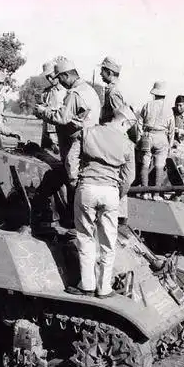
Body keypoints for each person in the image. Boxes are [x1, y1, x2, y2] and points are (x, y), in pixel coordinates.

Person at [66, 105, 137, 298]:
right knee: (108, 241)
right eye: (128, 127)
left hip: (87, 187)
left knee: (85, 237)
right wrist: (118, 193)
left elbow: (71, 160)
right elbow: (129, 177)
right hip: (111, 191)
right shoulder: (128, 144)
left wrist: (74, 181)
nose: (127, 131)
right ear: (124, 122)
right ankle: (104, 288)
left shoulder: (87, 132)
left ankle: (87, 285)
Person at [34, 59, 101, 192]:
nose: (59, 81)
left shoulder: (74, 93)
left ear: (66, 75)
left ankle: (76, 200)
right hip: (91, 137)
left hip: (78, 139)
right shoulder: (89, 90)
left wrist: (42, 112)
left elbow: (62, 118)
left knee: (72, 172)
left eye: (60, 78)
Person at [137, 81, 175, 200]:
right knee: (159, 165)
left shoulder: (147, 105)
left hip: (148, 136)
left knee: (145, 163)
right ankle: (156, 194)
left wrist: (139, 139)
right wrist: (170, 144)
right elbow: (171, 129)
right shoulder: (169, 109)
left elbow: (139, 123)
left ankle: (144, 193)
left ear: (154, 93)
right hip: (161, 136)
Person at [39, 61, 67, 153]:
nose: (50, 79)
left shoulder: (67, 91)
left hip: (60, 133)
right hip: (46, 132)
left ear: (57, 74)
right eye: (47, 77)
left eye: (51, 76)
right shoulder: (46, 92)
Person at [99, 56, 126, 124]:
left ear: (109, 73)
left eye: (102, 71)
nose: (100, 73)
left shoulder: (113, 91)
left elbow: (120, 119)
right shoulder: (119, 87)